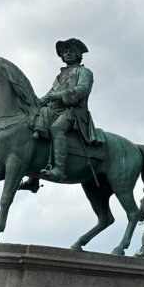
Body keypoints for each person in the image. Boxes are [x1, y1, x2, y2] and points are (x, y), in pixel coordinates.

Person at [33, 38, 102, 182]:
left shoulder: (84, 72)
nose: (67, 54)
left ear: (78, 54)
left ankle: (59, 170)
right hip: (54, 110)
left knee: (56, 129)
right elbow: (49, 95)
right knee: (35, 125)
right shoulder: (60, 76)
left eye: (71, 51)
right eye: (65, 52)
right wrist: (35, 102)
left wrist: (59, 95)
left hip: (73, 112)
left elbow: (82, 90)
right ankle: (33, 178)